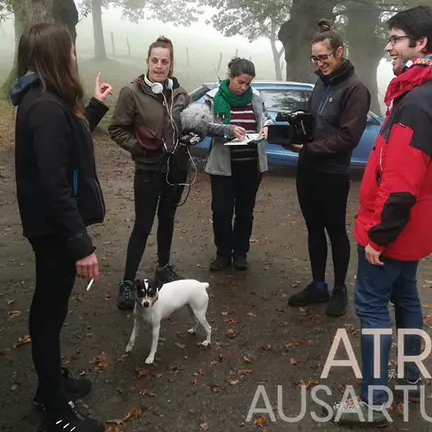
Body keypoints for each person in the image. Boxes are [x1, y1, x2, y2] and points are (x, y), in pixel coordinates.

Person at [328, 6, 432, 426]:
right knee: (406, 296)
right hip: (416, 222)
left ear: (421, 44)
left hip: (395, 226)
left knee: (371, 305)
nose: (389, 45)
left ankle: (373, 401)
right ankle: (411, 375)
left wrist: (378, 238)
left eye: (397, 38)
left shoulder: (417, 102)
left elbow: (401, 183)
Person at [10, 22, 113, 432]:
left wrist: (94, 107)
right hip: (53, 231)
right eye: (70, 50)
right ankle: (54, 409)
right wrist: (81, 245)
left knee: (51, 309)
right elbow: (54, 186)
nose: (74, 55)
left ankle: (50, 384)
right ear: (56, 56)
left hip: (50, 229)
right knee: (49, 314)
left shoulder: (44, 100)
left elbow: (66, 144)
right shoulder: (45, 108)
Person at [108, 36, 245, 310]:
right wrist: (139, 147)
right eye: (155, 60)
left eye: (165, 61)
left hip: (176, 169)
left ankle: (163, 267)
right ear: (147, 62)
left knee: (167, 221)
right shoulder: (131, 92)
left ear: (171, 65)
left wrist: (220, 131)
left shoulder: (180, 94)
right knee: (142, 226)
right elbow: (116, 129)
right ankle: (126, 281)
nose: (159, 66)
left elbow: (197, 125)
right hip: (148, 170)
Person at [285, 20, 371, 317]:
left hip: (333, 173)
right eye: (315, 58)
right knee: (313, 229)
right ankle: (318, 285)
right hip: (307, 168)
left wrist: (309, 147)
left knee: (335, 231)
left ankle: (339, 290)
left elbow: (349, 137)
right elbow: (313, 119)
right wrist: (297, 126)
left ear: (339, 52)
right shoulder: (321, 83)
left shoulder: (356, 89)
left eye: (324, 57)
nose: (320, 64)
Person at [204, 57, 273, 271]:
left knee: (245, 211)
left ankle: (240, 252)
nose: (244, 88)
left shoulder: (256, 98)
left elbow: (266, 117)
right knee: (222, 211)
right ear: (230, 77)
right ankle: (223, 253)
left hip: (250, 166)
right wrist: (227, 129)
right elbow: (203, 125)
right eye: (240, 82)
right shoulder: (214, 98)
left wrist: (266, 127)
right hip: (223, 167)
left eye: (248, 84)